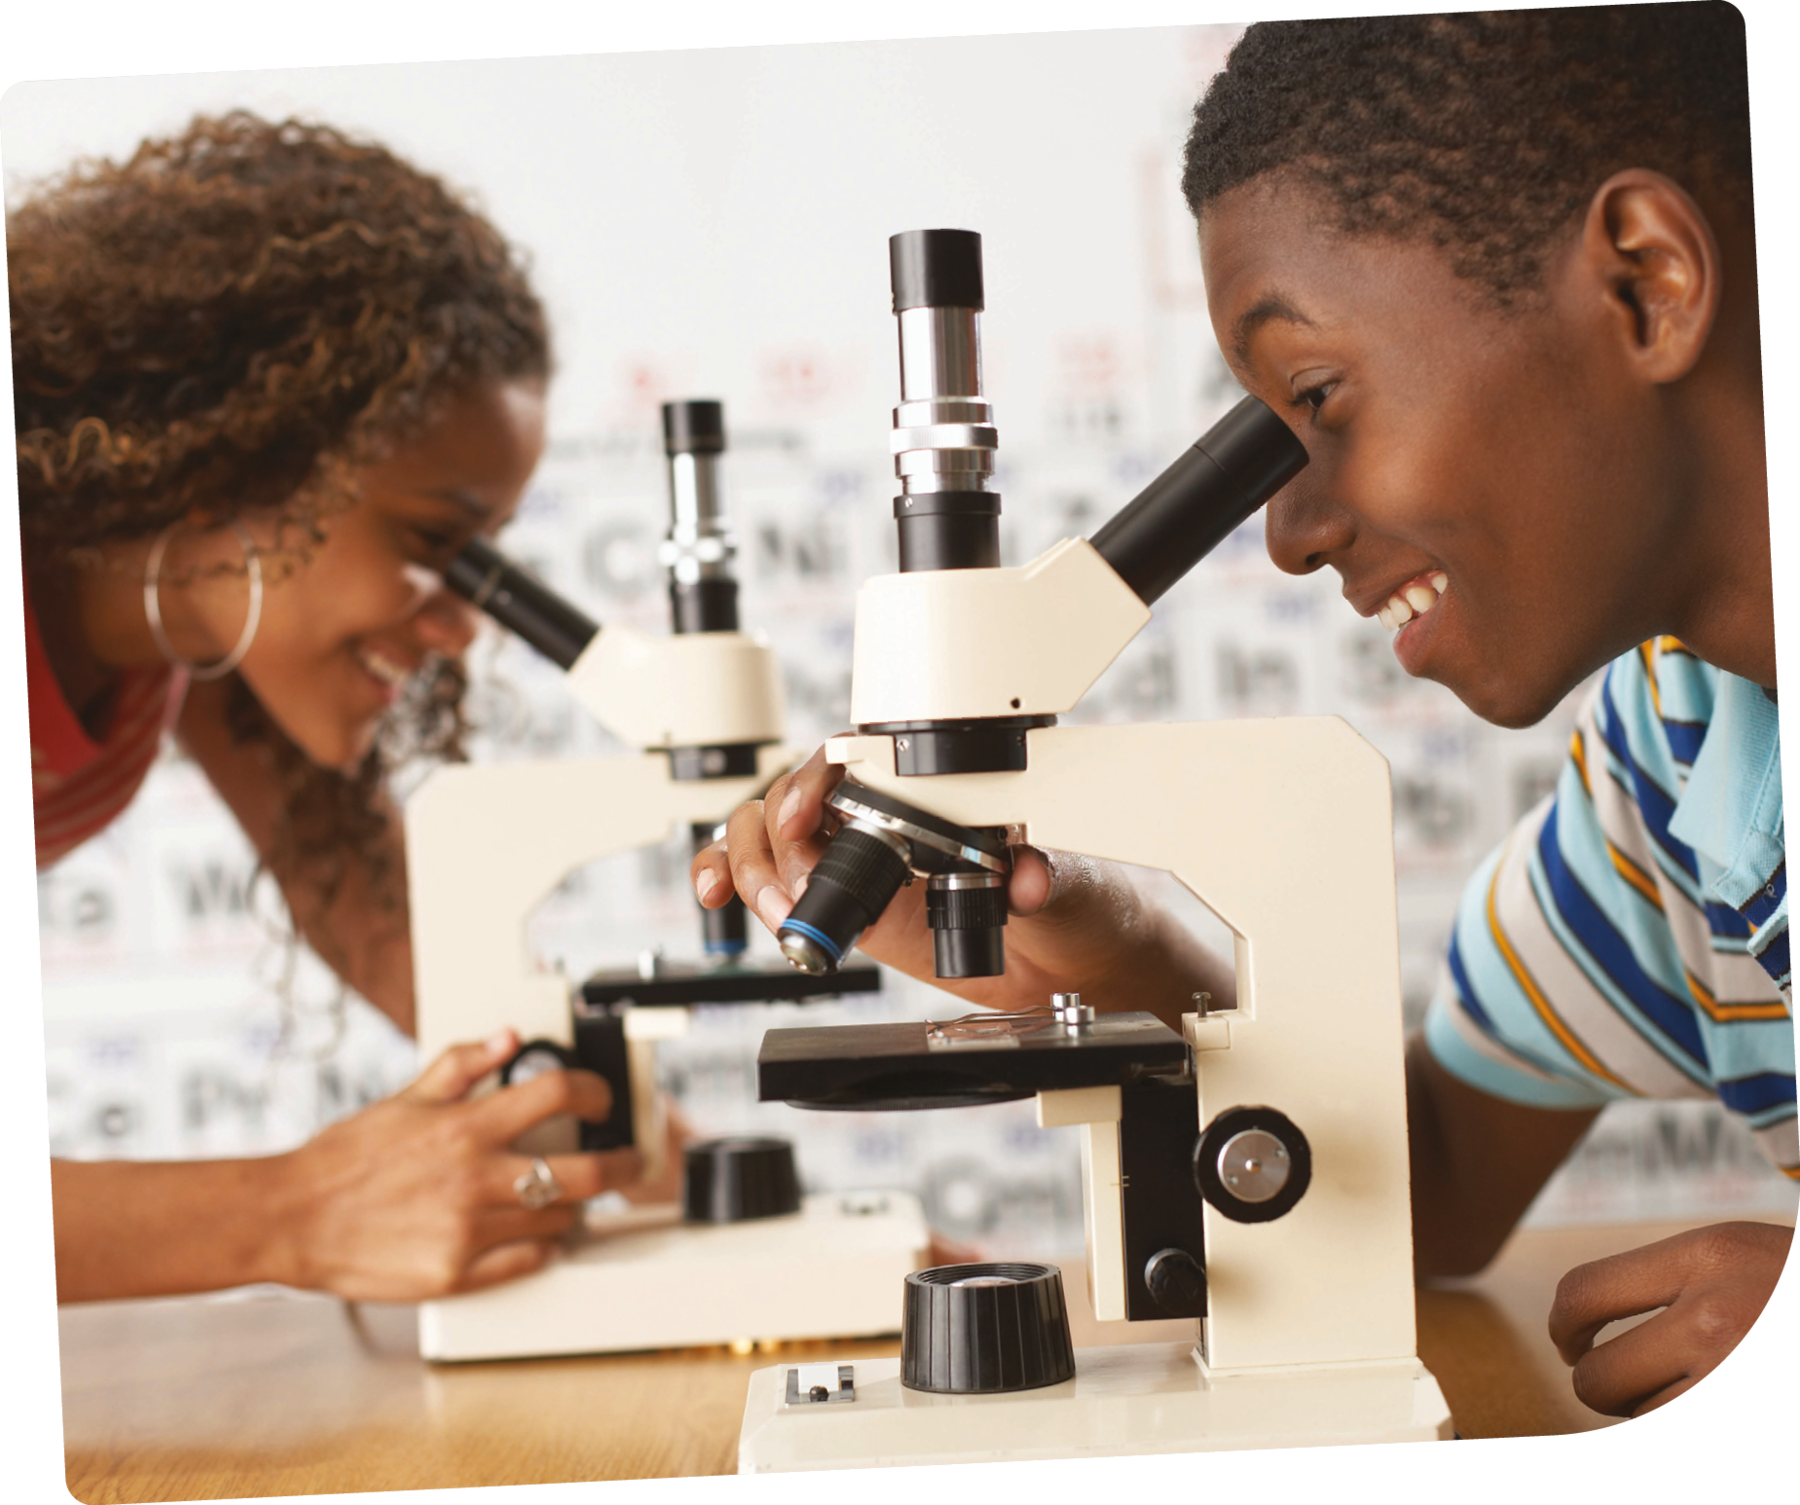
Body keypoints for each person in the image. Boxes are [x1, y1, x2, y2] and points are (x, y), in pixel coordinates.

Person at [692, 7, 1791, 1419]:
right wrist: (1121, 944)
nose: (1288, 534)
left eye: (1318, 395)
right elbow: (1429, 1187)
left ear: (1643, 283)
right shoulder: (1674, 758)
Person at [20, 114, 639, 1302]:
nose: (461, 623)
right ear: (238, 458)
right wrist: (300, 1213)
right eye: (431, 543)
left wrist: (661, 1149)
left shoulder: (193, 615)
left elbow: (380, 913)